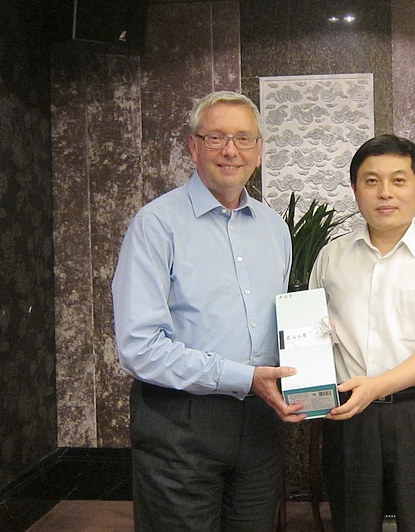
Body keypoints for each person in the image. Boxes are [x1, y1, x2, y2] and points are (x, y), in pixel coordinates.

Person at [112, 91, 305, 532]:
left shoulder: (274, 228)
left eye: (243, 138)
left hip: (259, 423)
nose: (230, 150)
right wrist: (243, 377)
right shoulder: (156, 225)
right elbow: (139, 348)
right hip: (180, 423)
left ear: (259, 151)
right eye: (216, 137)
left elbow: (276, 323)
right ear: (193, 146)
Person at [309, 134, 415, 532]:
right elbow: (313, 333)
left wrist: (376, 386)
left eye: (398, 180)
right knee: (352, 523)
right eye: (371, 181)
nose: (385, 192)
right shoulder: (331, 256)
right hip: (350, 417)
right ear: (355, 189)